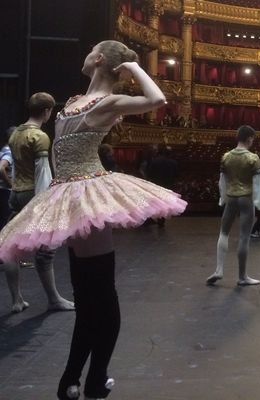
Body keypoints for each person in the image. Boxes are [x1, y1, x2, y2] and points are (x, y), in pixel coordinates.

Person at [0, 40, 187, 400]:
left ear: (98, 59)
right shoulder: (71, 103)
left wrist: (131, 66)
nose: (86, 55)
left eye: (91, 51)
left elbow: (157, 99)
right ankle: (77, 379)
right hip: (66, 192)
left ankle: (90, 377)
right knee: (88, 294)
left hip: (89, 192)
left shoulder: (107, 102)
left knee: (99, 293)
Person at [2, 94, 74, 314]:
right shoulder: (39, 136)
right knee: (45, 251)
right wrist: (46, 203)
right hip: (33, 194)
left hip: (15, 193)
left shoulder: (15, 134)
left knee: (9, 247)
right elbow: (42, 172)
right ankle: (54, 299)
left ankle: (17, 300)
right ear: (47, 111)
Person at [206, 125, 260, 286]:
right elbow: (258, 185)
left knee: (224, 232)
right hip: (246, 199)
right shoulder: (252, 158)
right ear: (249, 138)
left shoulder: (226, 157)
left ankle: (219, 269)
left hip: (231, 197)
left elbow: (222, 181)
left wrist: (223, 198)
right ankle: (242, 276)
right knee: (243, 237)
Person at [147, 144, 179, 227]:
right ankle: (161, 220)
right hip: (168, 185)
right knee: (164, 203)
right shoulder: (174, 163)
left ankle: (151, 217)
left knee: (154, 202)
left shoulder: (155, 161)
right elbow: (176, 175)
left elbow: (150, 174)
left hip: (156, 184)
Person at [0, 126, 14, 227]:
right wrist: (11, 184)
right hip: (6, 191)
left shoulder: (2, 150)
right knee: (6, 222)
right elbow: (1, 168)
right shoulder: (9, 152)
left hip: (2, 190)